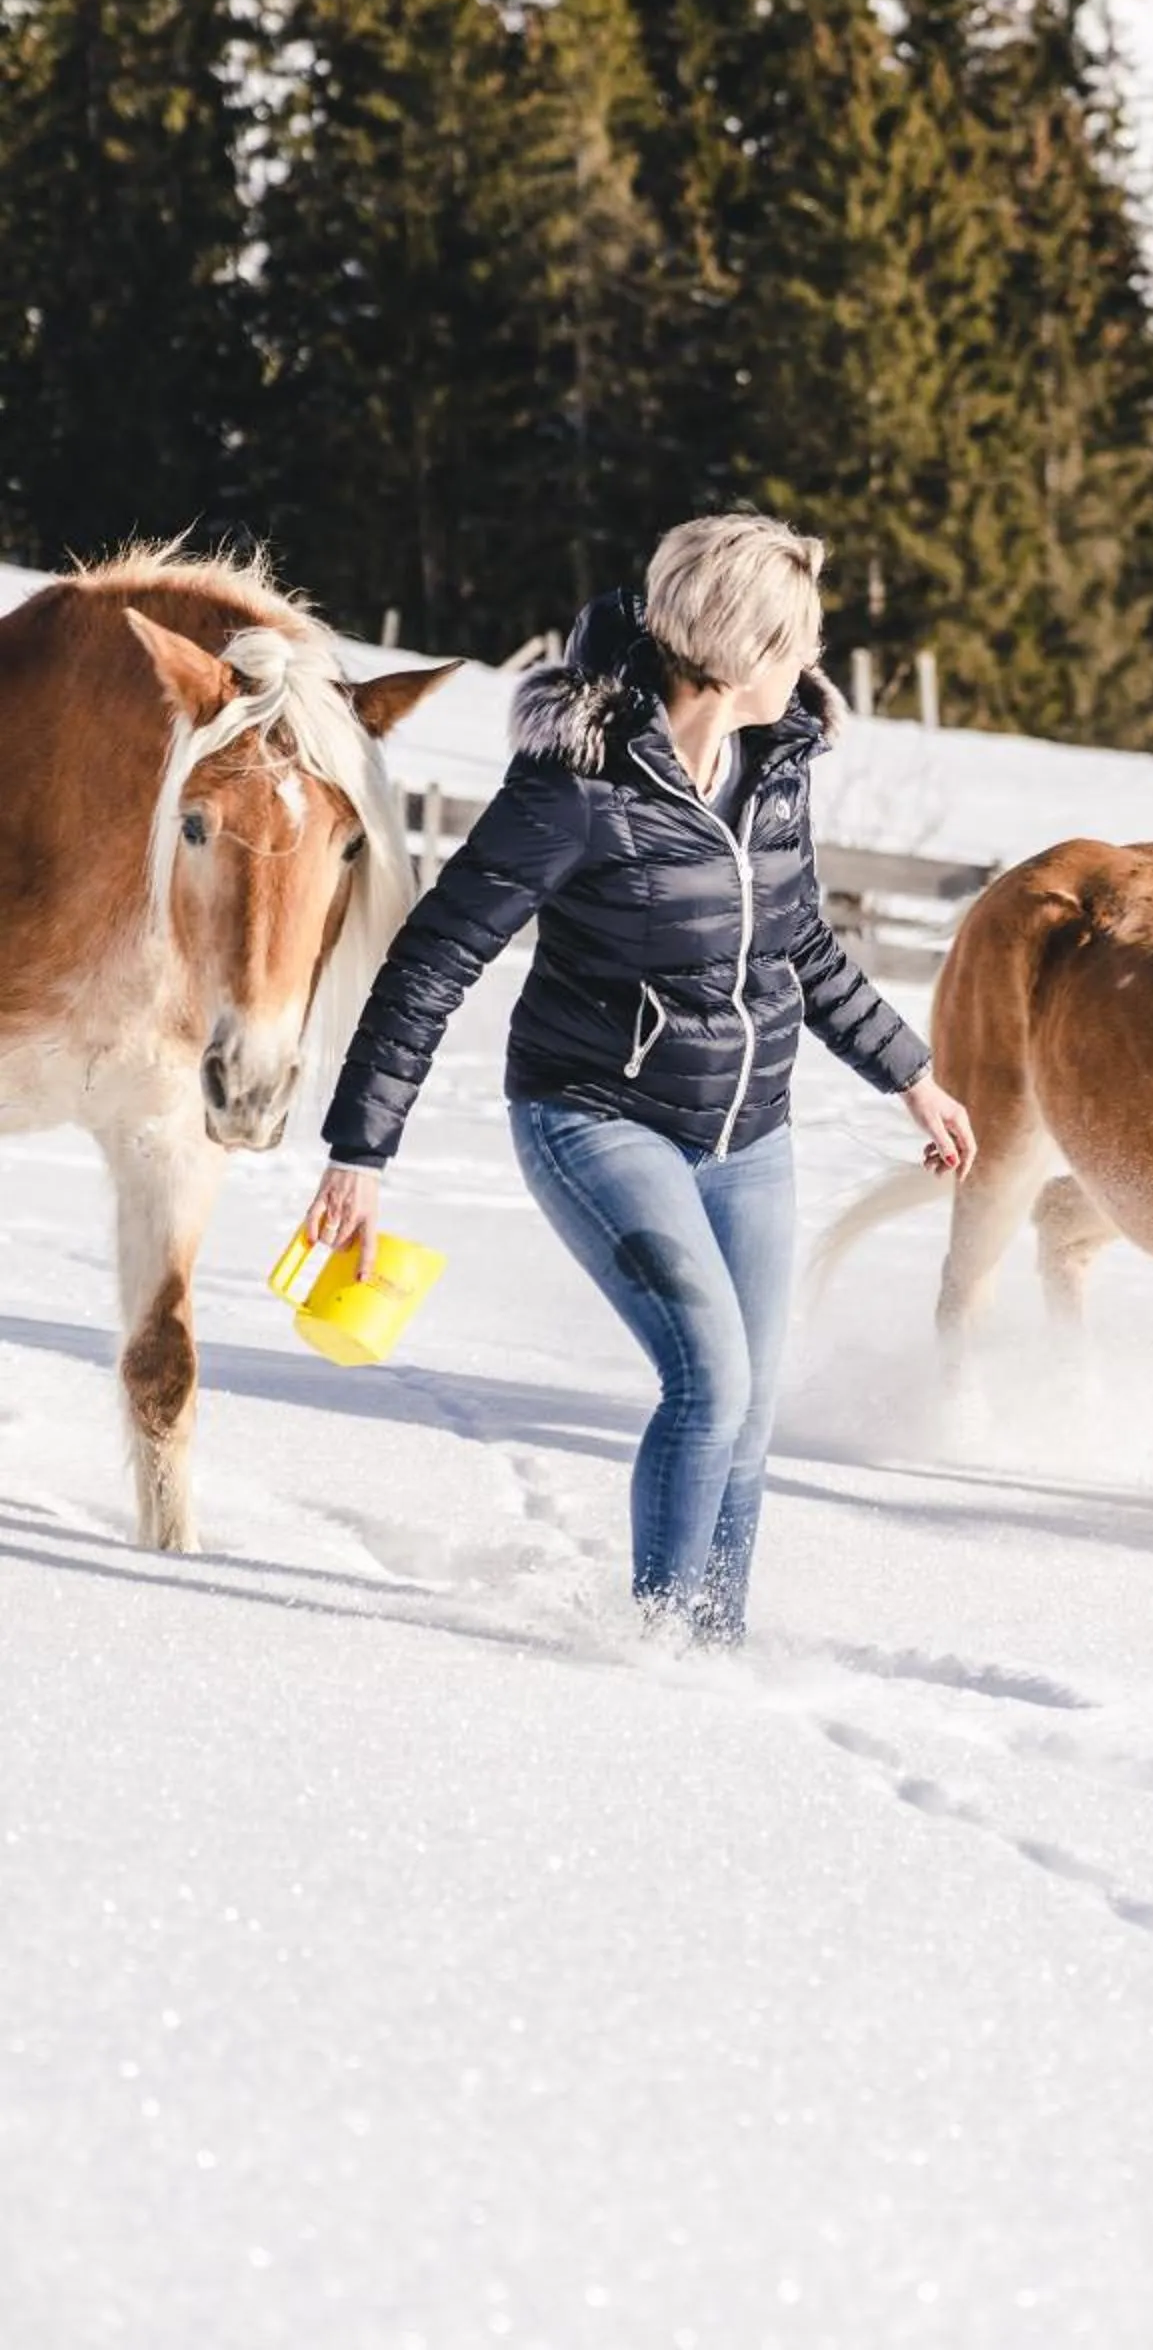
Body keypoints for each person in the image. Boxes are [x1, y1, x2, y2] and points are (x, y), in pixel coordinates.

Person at [306, 513, 976, 1640]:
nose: (809, 668)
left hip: (749, 1132)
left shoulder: (776, 763)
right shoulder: (574, 782)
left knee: (752, 1412)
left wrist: (910, 1075)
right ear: (734, 650)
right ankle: (661, 1652)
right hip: (595, 1114)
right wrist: (360, 1153)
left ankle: (717, 1644)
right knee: (708, 1381)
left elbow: (799, 943)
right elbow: (435, 956)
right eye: (796, 643)